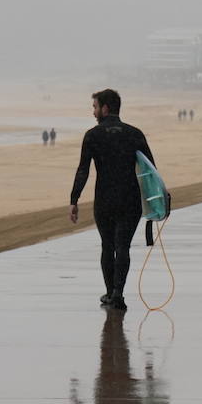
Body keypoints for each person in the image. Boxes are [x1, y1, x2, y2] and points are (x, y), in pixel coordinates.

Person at [70, 88, 158, 311]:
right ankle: (118, 293)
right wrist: (155, 201)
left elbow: (83, 170)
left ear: (105, 108)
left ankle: (110, 293)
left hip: (105, 199)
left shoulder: (93, 135)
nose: (93, 112)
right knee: (123, 247)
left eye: (95, 107)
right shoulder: (134, 134)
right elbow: (151, 170)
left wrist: (74, 199)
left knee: (108, 246)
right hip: (130, 199)